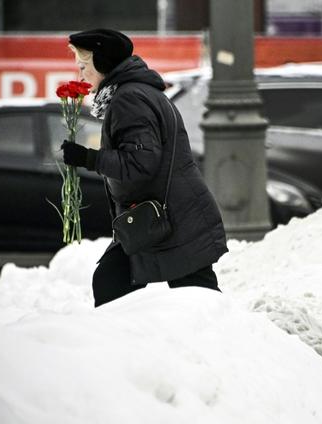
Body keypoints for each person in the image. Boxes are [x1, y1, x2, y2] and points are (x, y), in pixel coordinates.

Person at [62, 29, 228, 307]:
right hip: (159, 217)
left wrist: (88, 158)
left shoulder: (130, 100)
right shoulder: (136, 93)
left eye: (84, 66)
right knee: (114, 282)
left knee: (200, 301)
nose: (80, 75)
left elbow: (141, 163)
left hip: (170, 219)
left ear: (103, 63)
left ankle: (237, 345)